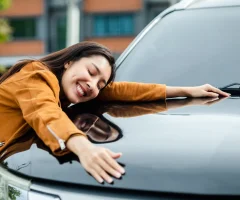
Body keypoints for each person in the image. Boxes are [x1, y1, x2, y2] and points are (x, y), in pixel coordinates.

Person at [0, 41, 229, 184]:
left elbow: (121, 91)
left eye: (100, 84)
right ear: (69, 62)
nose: (92, 85)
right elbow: (45, 113)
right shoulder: (35, 76)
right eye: (91, 72)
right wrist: (85, 149)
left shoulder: (65, 89)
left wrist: (187, 91)